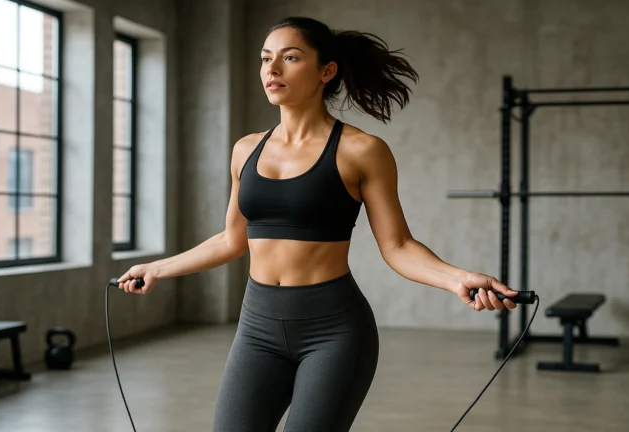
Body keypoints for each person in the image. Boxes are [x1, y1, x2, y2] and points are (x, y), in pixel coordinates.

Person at [117, 16, 518, 432]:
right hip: (257, 327)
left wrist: (457, 279)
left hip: (334, 332)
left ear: (327, 71)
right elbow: (231, 239)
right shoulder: (245, 150)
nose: (271, 70)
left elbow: (397, 245)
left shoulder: (362, 150)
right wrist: (157, 268)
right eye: (265, 58)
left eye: (290, 58)